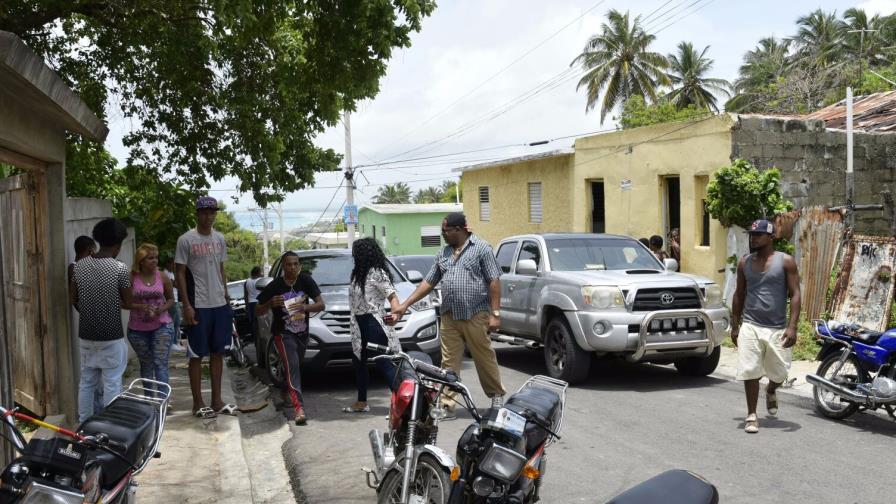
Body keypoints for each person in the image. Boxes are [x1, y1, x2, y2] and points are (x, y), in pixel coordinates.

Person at [392, 212, 505, 416]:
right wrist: (404, 304)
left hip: (475, 314)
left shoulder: (482, 249)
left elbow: (494, 281)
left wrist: (495, 313)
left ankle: (496, 396)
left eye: (445, 231)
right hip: (449, 315)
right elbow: (428, 282)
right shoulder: (443, 253)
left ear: (459, 230)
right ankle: (447, 404)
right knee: (448, 362)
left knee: (483, 357)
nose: (443, 234)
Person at [731, 219, 801, 434]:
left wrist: (793, 327)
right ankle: (751, 414)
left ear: (771, 237)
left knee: (780, 372)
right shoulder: (744, 263)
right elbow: (739, 294)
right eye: (752, 235)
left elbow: (795, 294)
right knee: (750, 370)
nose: (754, 238)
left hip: (777, 327)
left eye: (758, 235)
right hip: (751, 325)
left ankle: (771, 389)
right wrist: (735, 325)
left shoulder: (786, 261)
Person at [175, 196, 235, 419]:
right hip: (198, 304)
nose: (209, 216)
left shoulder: (219, 239)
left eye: (212, 212)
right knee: (197, 355)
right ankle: (198, 402)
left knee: (218, 352)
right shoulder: (186, 240)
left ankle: (216, 400)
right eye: (205, 212)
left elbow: (221, 268)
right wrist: (186, 305)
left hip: (219, 304)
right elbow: (180, 273)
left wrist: (226, 294)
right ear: (197, 214)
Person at [69, 218, 132, 422]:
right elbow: (128, 302)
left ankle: (84, 425)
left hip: (86, 335)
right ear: (118, 244)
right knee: (112, 382)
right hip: (111, 337)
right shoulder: (119, 268)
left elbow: (73, 298)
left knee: (86, 382)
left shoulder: (79, 267)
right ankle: (110, 426)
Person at [256, 252, 325, 425]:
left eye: (295, 264)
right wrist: (270, 303)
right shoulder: (275, 286)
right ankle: (299, 409)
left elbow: (321, 304)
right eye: (289, 264)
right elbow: (257, 310)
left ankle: (285, 390)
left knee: (294, 366)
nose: (292, 267)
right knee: (293, 366)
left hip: (302, 333)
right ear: (283, 266)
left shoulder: (305, 281)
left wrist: (304, 307)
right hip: (282, 334)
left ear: (299, 266)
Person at [344, 238, 400, 413]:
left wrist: (396, 313)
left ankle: (402, 404)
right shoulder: (358, 274)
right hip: (358, 324)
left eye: (356, 252)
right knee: (359, 362)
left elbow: (392, 296)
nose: (354, 255)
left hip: (373, 323)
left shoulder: (377, 272)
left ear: (364, 253)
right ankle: (362, 402)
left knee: (383, 362)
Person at [127, 243, 176, 398]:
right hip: (137, 329)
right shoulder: (131, 277)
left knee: (160, 364)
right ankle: (149, 400)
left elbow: (170, 299)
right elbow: (123, 302)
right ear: (141, 261)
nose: (155, 261)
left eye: (156, 258)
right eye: (150, 258)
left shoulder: (162, 276)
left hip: (162, 325)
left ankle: (162, 401)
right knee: (146, 364)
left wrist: (160, 309)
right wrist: (141, 306)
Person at [162, 257, 186, 352]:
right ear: (168, 264)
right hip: (171, 301)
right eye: (173, 264)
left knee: (177, 322)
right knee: (173, 322)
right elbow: (175, 284)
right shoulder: (166, 273)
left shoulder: (171, 273)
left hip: (175, 300)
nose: (174, 266)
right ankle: (172, 343)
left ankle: (175, 342)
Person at [244, 266, 263, 338]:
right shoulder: (260, 280)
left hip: (251, 303)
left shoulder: (247, 281)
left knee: (253, 322)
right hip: (259, 302)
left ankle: (255, 337)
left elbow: (246, 295)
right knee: (261, 321)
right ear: (258, 272)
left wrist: (246, 306)